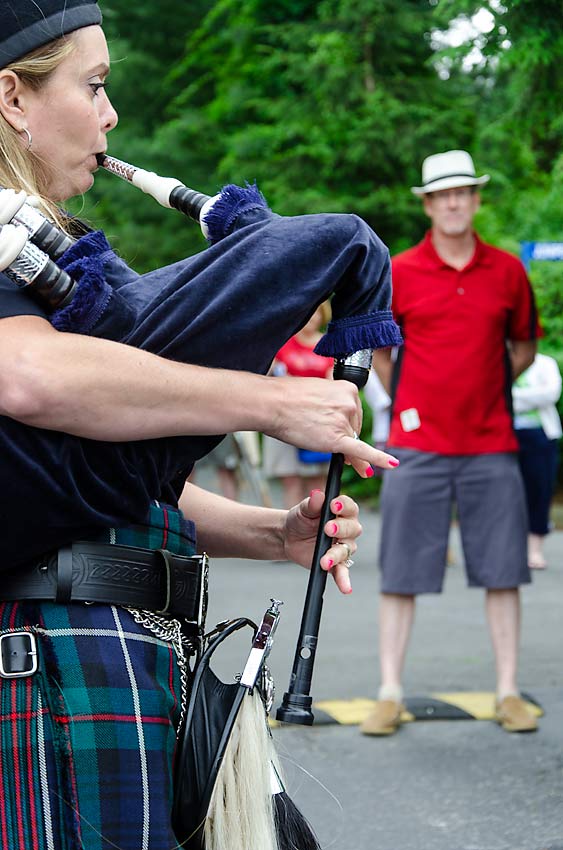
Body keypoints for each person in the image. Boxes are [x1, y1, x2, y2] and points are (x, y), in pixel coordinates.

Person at [0, 2, 404, 848]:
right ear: (13, 97)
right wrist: (269, 401)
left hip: (127, 647)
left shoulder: (52, 249)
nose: (111, 115)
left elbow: (122, 464)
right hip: (47, 652)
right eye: (95, 84)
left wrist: (270, 532)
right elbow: (30, 378)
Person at [361, 149, 541, 738]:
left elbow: (523, 349)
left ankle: (508, 691)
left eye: (462, 192)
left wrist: (483, 392)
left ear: (475, 198)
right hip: (418, 445)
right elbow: (383, 353)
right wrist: (412, 405)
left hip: (491, 442)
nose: (454, 202)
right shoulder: (402, 270)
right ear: (429, 204)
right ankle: (389, 691)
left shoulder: (508, 270)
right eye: (442, 195)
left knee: (503, 570)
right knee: (401, 570)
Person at [262, 302, 335, 507]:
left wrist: (295, 383)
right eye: (308, 313)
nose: (312, 318)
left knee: (317, 484)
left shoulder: (329, 344)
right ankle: (290, 528)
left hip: (317, 419)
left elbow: (333, 382)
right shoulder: (283, 342)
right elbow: (270, 376)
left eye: (316, 314)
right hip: (284, 416)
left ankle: (317, 531)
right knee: (291, 480)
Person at [513, 352, 562, 569]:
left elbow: (551, 393)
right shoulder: (494, 358)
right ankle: (512, 551)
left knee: (540, 492)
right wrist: (533, 396)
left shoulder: (545, 363)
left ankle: (535, 551)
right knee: (506, 495)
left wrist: (514, 397)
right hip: (505, 436)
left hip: (541, 436)